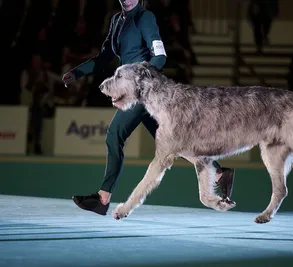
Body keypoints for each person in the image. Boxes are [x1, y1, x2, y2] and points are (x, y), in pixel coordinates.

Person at [62, 0, 235, 216]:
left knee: (115, 134)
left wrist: (140, 81)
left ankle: (103, 197)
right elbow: (104, 57)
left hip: (143, 93)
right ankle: (219, 173)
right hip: (136, 92)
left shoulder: (145, 18)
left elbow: (160, 56)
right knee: (176, 143)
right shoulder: (117, 20)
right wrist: (77, 73)